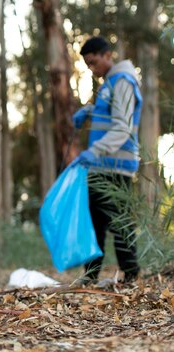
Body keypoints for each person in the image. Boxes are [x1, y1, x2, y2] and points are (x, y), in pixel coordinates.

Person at [72, 36, 142, 283]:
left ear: (107, 55)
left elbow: (122, 127)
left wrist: (95, 150)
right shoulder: (110, 84)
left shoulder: (123, 81)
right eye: (88, 65)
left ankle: (131, 275)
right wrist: (91, 111)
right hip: (100, 166)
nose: (92, 69)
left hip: (116, 166)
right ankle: (91, 275)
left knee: (119, 223)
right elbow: (111, 115)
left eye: (94, 62)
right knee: (95, 224)